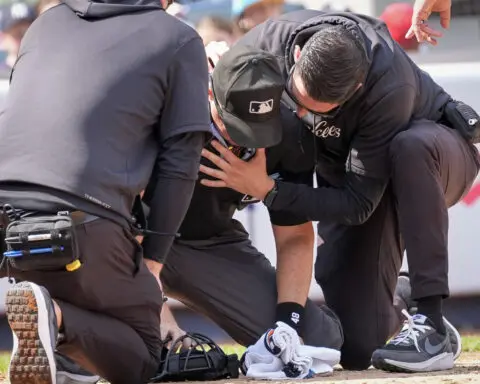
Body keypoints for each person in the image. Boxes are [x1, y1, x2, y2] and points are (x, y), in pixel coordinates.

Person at [199, 9, 480, 372]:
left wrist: (268, 190)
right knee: (359, 346)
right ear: (297, 56)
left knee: (411, 147)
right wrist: (212, 62)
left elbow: (358, 204)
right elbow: (218, 76)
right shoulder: (268, 44)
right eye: (295, 101)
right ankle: (401, 297)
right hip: (355, 178)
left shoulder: (388, 87)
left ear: (356, 89)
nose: (299, 116)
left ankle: (431, 323)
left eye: (314, 111)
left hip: (432, 162)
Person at [0, 0, 210, 382]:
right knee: (145, 353)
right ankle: (58, 321)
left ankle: (54, 329)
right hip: (82, 221)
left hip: (7, 220)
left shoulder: (45, 23)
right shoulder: (179, 38)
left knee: (51, 293)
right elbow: (181, 165)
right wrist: (153, 260)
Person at [145, 44, 344, 355]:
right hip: (131, 244)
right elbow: (114, 218)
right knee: (136, 345)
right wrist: (156, 312)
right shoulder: (166, 111)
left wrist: (287, 326)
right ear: (210, 93)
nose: (246, 139)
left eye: (260, 129)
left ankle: (399, 297)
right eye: (235, 126)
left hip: (208, 243)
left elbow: (294, 234)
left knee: (315, 340)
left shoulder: (290, 131)